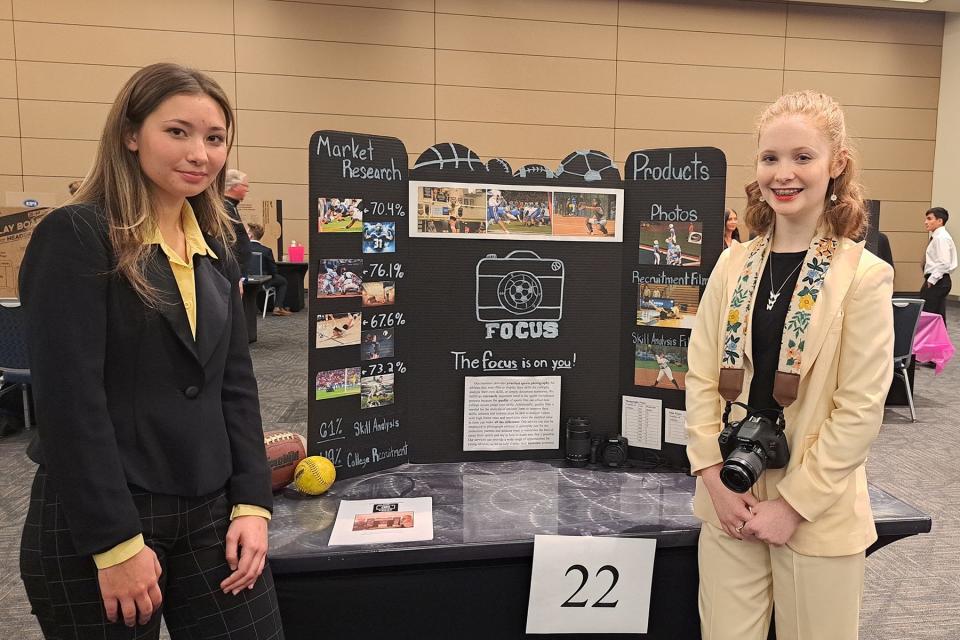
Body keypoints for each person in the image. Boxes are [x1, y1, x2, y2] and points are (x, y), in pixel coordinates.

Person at [18, 63, 283, 639]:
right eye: (178, 132)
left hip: (211, 507)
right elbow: (69, 404)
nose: (199, 154)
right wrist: (114, 544)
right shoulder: (77, 235)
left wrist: (253, 504)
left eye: (214, 139)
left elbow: (235, 385)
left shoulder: (217, 245)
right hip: (104, 511)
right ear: (130, 134)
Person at [685, 90, 893, 640]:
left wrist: (793, 507)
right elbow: (702, 378)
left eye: (803, 157)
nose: (784, 173)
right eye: (770, 158)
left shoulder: (863, 275)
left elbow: (861, 411)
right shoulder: (733, 264)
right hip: (730, 496)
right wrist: (712, 476)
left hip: (817, 509)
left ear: (836, 164)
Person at [920, 206, 956, 322]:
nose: (926, 222)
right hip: (939, 280)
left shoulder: (941, 238)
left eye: (929, 219)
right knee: (937, 316)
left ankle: (930, 339)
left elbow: (944, 263)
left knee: (928, 315)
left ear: (940, 221)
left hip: (937, 281)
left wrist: (932, 280)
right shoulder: (938, 237)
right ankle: (939, 340)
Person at [247, 222, 292, 316]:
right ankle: (278, 307)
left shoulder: (243, 249)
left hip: (245, 281)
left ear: (250, 236)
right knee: (283, 281)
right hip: (262, 283)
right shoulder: (266, 250)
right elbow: (273, 271)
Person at [224, 168, 254, 288]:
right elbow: (229, 244)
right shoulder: (226, 209)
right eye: (245, 186)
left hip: (236, 274)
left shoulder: (231, 207)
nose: (247, 190)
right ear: (234, 186)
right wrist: (237, 277)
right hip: (232, 275)